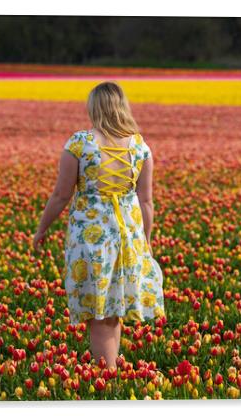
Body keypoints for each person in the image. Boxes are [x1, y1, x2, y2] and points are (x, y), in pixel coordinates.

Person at [33, 81, 165, 371]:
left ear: (94, 108)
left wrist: (42, 229)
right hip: (129, 236)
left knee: (100, 314)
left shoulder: (80, 144)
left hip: (93, 239)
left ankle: (106, 381)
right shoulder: (140, 147)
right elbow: (147, 202)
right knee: (113, 311)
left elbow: (61, 195)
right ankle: (110, 373)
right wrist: (146, 241)